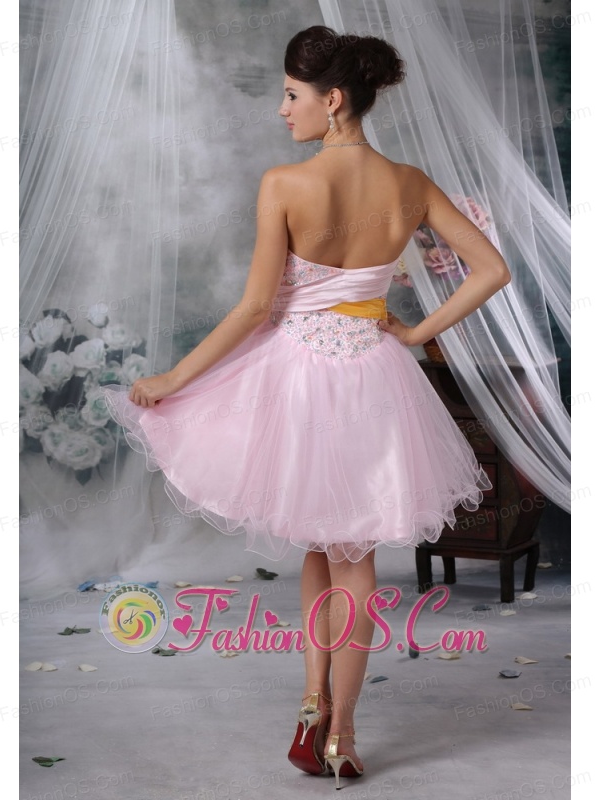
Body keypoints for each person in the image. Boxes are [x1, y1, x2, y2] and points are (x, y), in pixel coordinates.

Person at [103, 25, 511, 790]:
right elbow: (492, 269)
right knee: (338, 553)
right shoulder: (410, 184)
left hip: (298, 380)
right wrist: (415, 332)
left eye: (291, 95)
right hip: (374, 379)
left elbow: (257, 309)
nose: (281, 108)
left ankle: (328, 720)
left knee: (332, 553)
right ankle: (329, 723)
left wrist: (174, 378)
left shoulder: (285, 185)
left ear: (333, 100)